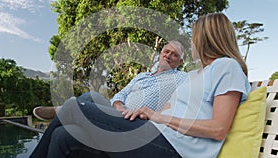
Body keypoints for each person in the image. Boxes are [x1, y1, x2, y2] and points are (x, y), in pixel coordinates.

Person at [30, 12, 251, 158]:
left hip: (174, 149)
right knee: (64, 137)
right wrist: (148, 115)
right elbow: (171, 110)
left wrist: (158, 116)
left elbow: (218, 129)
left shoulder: (226, 66)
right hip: (152, 132)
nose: (192, 42)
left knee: (74, 107)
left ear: (206, 38)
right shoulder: (195, 76)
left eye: (194, 37)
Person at [32, 41, 187, 121]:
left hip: (137, 121)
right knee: (90, 97)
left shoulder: (181, 78)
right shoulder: (142, 76)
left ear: (180, 62)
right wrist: (119, 106)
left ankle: (61, 110)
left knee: (83, 101)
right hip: (118, 113)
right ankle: (62, 111)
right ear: (160, 54)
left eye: (174, 55)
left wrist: (152, 114)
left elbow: (180, 104)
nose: (168, 55)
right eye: (166, 51)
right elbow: (122, 93)